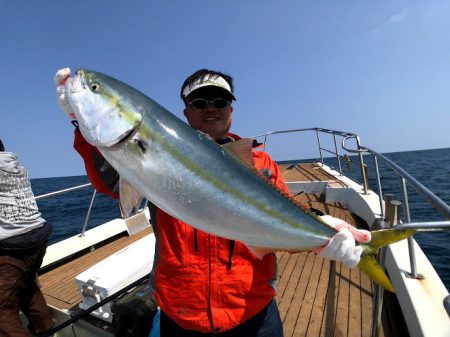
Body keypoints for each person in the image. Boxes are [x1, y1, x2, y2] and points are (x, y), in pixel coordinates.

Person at [54, 68, 371, 337]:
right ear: (186, 112)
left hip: (252, 313)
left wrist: (321, 229)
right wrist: (81, 121)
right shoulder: (143, 153)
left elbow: (283, 211)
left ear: (231, 109)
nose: (211, 108)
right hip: (181, 316)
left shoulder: (259, 162)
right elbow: (112, 179)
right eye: (199, 101)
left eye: (220, 101)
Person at [0, 140, 54, 337]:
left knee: (2, 310)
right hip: (38, 237)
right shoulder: (19, 168)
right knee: (27, 287)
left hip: (14, 248)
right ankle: (48, 329)